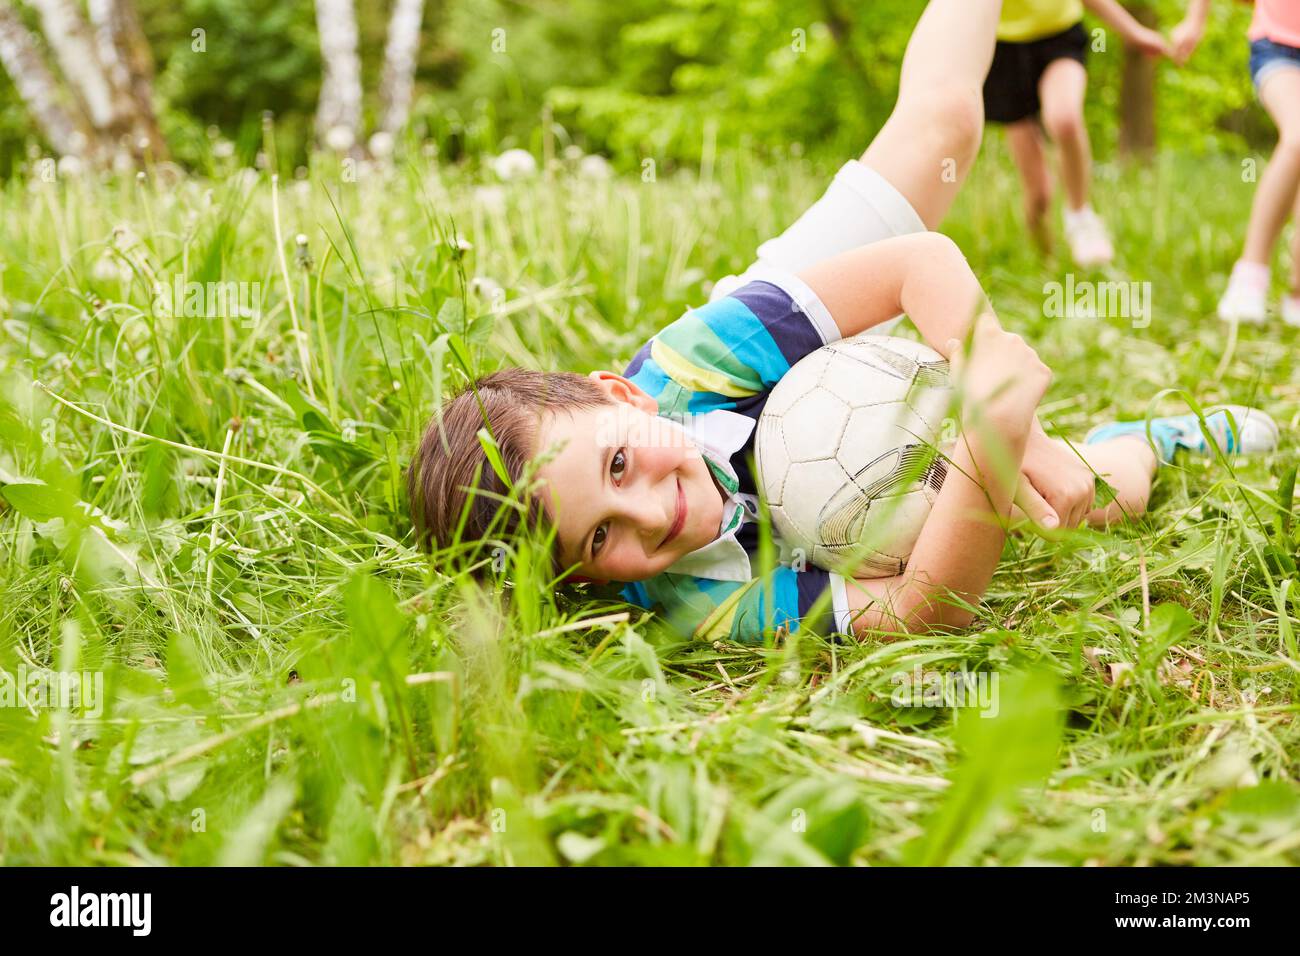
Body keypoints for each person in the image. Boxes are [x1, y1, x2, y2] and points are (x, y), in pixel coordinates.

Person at [407, 0, 1279, 644]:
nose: (651, 512)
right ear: (591, 581)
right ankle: (1163, 436)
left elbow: (920, 267)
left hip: (798, 342)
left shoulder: (695, 361)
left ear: (619, 396)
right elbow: (918, 611)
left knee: (944, 125)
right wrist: (988, 450)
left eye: (621, 462)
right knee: (1091, 497)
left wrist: (995, 387)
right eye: (602, 538)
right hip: (862, 483)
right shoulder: (693, 600)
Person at [983, 0, 1172, 264]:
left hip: (1059, 36)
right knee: (1039, 194)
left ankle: (1080, 217)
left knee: (1064, 118)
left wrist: (1133, 31)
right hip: (1002, 49)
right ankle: (1046, 268)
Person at [1205, 0, 1300, 324]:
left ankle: (1297, 289)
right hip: (1278, 48)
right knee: (1298, 136)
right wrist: (1193, 22)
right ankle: (1250, 273)